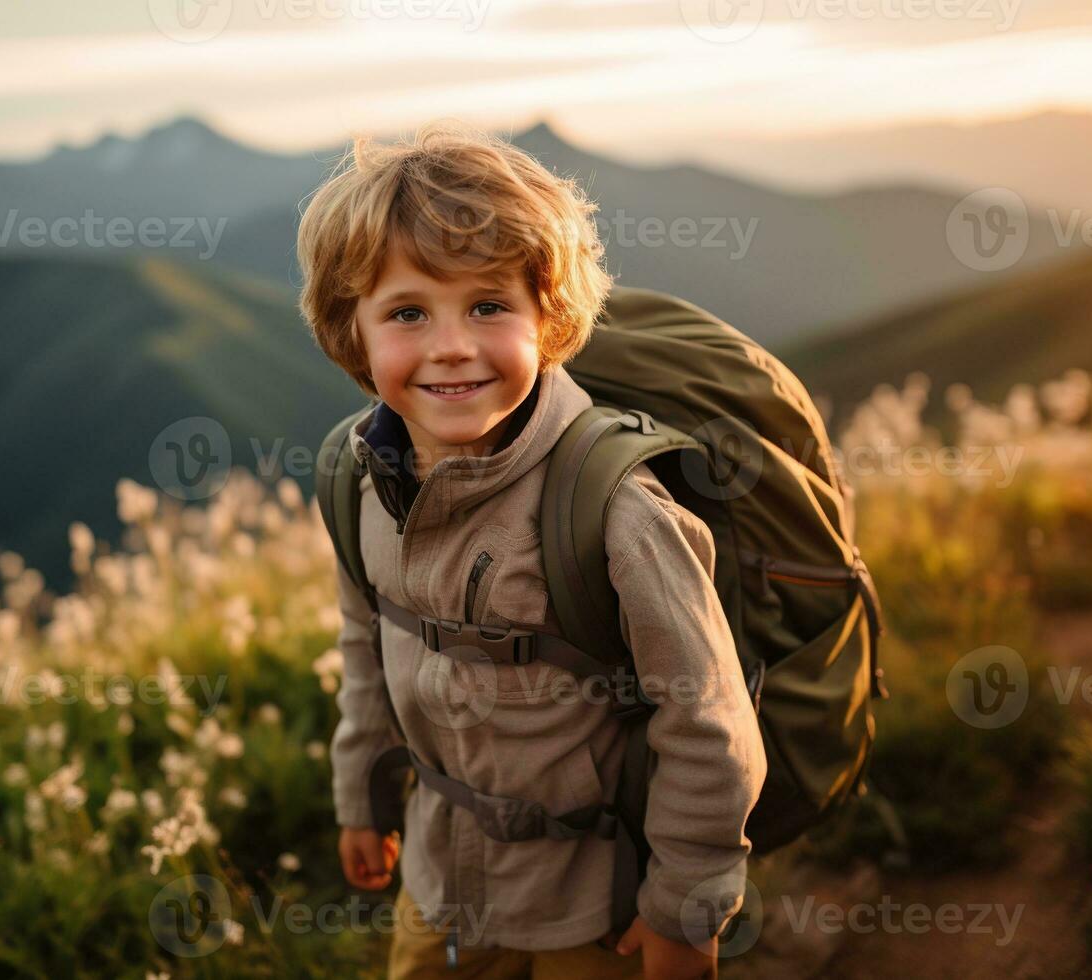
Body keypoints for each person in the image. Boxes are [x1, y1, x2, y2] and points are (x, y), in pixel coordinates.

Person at [296, 119, 767, 980]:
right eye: (407, 312)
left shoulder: (614, 512)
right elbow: (366, 649)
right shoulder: (358, 483)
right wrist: (360, 793)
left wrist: (686, 907)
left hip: (597, 907)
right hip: (441, 887)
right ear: (352, 330)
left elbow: (709, 724)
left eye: (488, 305)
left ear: (547, 317)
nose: (451, 345)